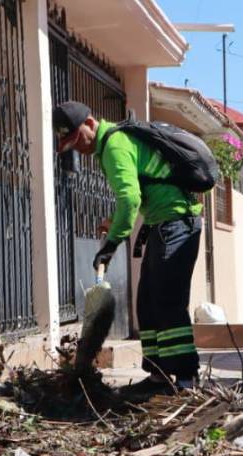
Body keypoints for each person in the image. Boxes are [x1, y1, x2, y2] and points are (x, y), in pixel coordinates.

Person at [54, 101, 203, 398]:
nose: (77, 147)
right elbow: (137, 193)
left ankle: (186, 378)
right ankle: (159, 376)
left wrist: (111, 245)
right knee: (147, 303)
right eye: (69, 143)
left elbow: (130, 200)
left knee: (168, 302)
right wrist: (115, 221)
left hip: (176, 223)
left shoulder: (114, 146)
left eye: (77, 138)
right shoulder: (114, 144)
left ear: (91, 123)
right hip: (165, 223)